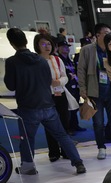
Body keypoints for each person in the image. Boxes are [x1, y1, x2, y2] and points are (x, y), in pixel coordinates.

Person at [4, 28, 85, 175]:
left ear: (12, 44)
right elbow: (48, 80)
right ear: (26, 41)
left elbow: (10, 85)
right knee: (62, 135)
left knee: (27, 139)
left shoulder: (12, 62)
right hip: (48, 105)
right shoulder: (42, 60)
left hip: (27, 107)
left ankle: (28, 167)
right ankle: (78, 163)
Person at [77, 23, 111, 160]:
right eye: (105, 33)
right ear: (97, 35)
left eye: (110, 33)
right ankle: (101, 147)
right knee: (98, 122)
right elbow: (81, 70)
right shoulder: (87, 50)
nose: (109, 36)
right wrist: (83, 89)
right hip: (95, 92)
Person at [34, 33, 71, 162]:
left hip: (60, 94)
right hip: (45, 97)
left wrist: (59, 82)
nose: (46, 46)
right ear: (37, 46)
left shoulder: (57, 59)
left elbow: (65, 76)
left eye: (49, 44)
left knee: (64, 123)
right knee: (49, 125)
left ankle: (66, 150)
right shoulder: (36, 61)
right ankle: (53, 152)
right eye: (43, 44)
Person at [57, 38, 85, 135]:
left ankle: (75, 125)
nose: (66, 48)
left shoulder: (70, 60)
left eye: (67, 46)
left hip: (75, 86)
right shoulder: (59, 60)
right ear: (58, 48)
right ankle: (68, 128)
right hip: (67, 87)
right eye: (63, 46)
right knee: (67, 109)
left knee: (75, 107)